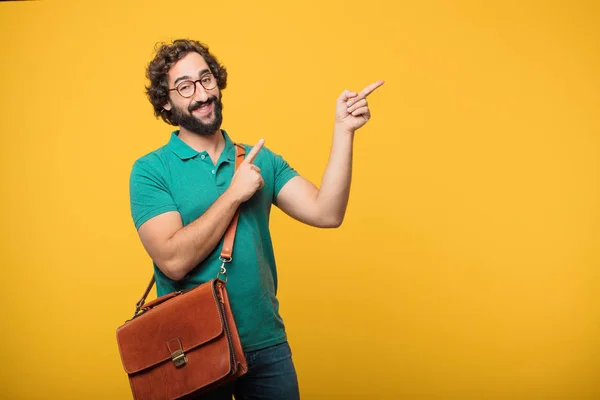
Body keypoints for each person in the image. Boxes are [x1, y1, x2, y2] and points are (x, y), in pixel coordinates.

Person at [129, 39, 383, 400]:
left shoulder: (260, 159)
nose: (201, 93)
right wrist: (234, 193)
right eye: (185, 86)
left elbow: (327, 213)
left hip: (266, 345)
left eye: (206, 79)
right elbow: (172, 260)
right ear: (166, 101)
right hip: (190, 350)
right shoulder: (151, 170)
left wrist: (343, 131)